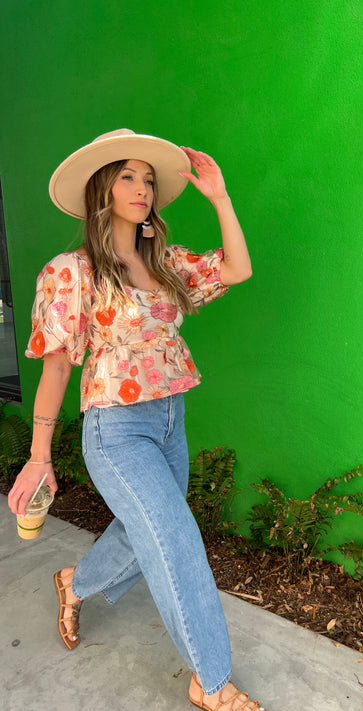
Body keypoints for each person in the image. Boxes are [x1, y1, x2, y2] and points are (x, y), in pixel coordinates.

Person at [7, 129, 266, 711]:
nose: (142, 187)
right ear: (102, 187)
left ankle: (75, 583)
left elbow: (237, 270)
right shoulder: (73, 271)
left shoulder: (165, 262)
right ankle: (212, 682)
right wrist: (39, 456)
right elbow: (56, 367)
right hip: (116, 430)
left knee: (139, 530)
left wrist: (221, 198)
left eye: (147, 178)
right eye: (127, 176)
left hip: (170, 419)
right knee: (175, 539)